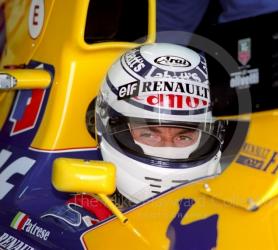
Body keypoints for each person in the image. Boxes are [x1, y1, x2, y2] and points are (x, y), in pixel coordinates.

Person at [41, 43, 228, 230]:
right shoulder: (79, 223)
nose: (168, 149)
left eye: (183, 137)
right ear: (109, 125)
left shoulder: (226, 213)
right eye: (149, 134)